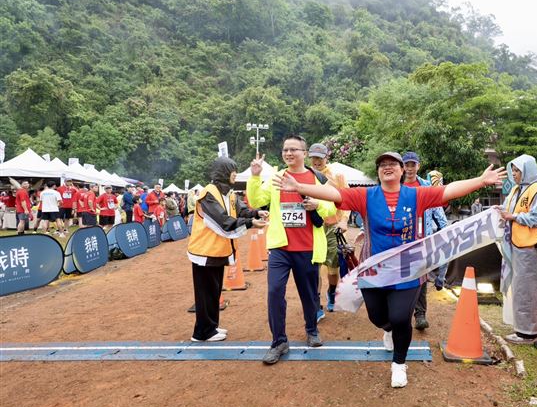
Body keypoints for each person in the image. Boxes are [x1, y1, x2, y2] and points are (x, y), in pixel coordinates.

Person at [272, 151, 505, 388]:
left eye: (393, 163)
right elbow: (333, 193)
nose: (387, 167)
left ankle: (399, 364)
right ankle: (388, 330)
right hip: (374, 270)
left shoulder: (416, 195)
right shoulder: (365, 196)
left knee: (401, 317)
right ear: (378, 172)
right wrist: (298, 185)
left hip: (409, 271)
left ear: (402, 170)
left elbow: (449, 190)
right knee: (378, 317)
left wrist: (481, 180)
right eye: (382, 164)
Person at [247, 135, 337, 365]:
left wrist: (317, 204)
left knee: (309, 294)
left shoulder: (317, 178)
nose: (288, 153)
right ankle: (279, 341)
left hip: (307, 247)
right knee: (275, 291)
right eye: (285, 149)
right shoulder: (277, 178)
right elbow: (256, 200)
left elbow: (330, 206)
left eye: (293, 149)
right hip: (281, 247)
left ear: (304, 153)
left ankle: (311, 330)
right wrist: (255, 176)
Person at [187, 157, 267, 342]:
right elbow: (223, 220)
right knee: (205, 292)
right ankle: (201, 332)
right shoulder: (208, 193)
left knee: (214, 291)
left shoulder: (229, 194)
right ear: (223, 172)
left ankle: (211, 327)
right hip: (204, 252)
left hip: (218, 251)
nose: (235, 174)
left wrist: (256, 213)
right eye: (233, 170)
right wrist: (250, 223)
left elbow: (241, 210)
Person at [498, 155, 537, 345]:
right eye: (512, 170)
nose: (514, 174)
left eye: (518, 171)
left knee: (528, 289)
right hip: (517, 246)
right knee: (521, 288)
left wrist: (513, 217)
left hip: (530, 248)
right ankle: (523, 329)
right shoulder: (516, 190)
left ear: (527, 171)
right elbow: (508, 211)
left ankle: (529, 333)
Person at [401, 152, 448, 330]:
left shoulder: (427, 186)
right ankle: (402, 313)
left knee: (421, 277)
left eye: (413, 165)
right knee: (402, 277)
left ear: (418, 166)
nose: (410, 168)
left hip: (422, 236)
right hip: (401, 238)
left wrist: (445, 229)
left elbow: (438, 211)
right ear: (402, 166)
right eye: (407, 165)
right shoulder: (395, 185)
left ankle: (420, 314)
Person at [308, 142, 350, 313]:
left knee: (333, 268)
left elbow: (347, 199)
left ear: (327, 157)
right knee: (314, 266)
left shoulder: (337, 175)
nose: (317, 161)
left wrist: (344, 220)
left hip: (333, 227)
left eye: (320, 157)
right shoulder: (306, 174)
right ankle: (315, 303)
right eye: (314, 157)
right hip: (312, 226)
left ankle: (332, 293)